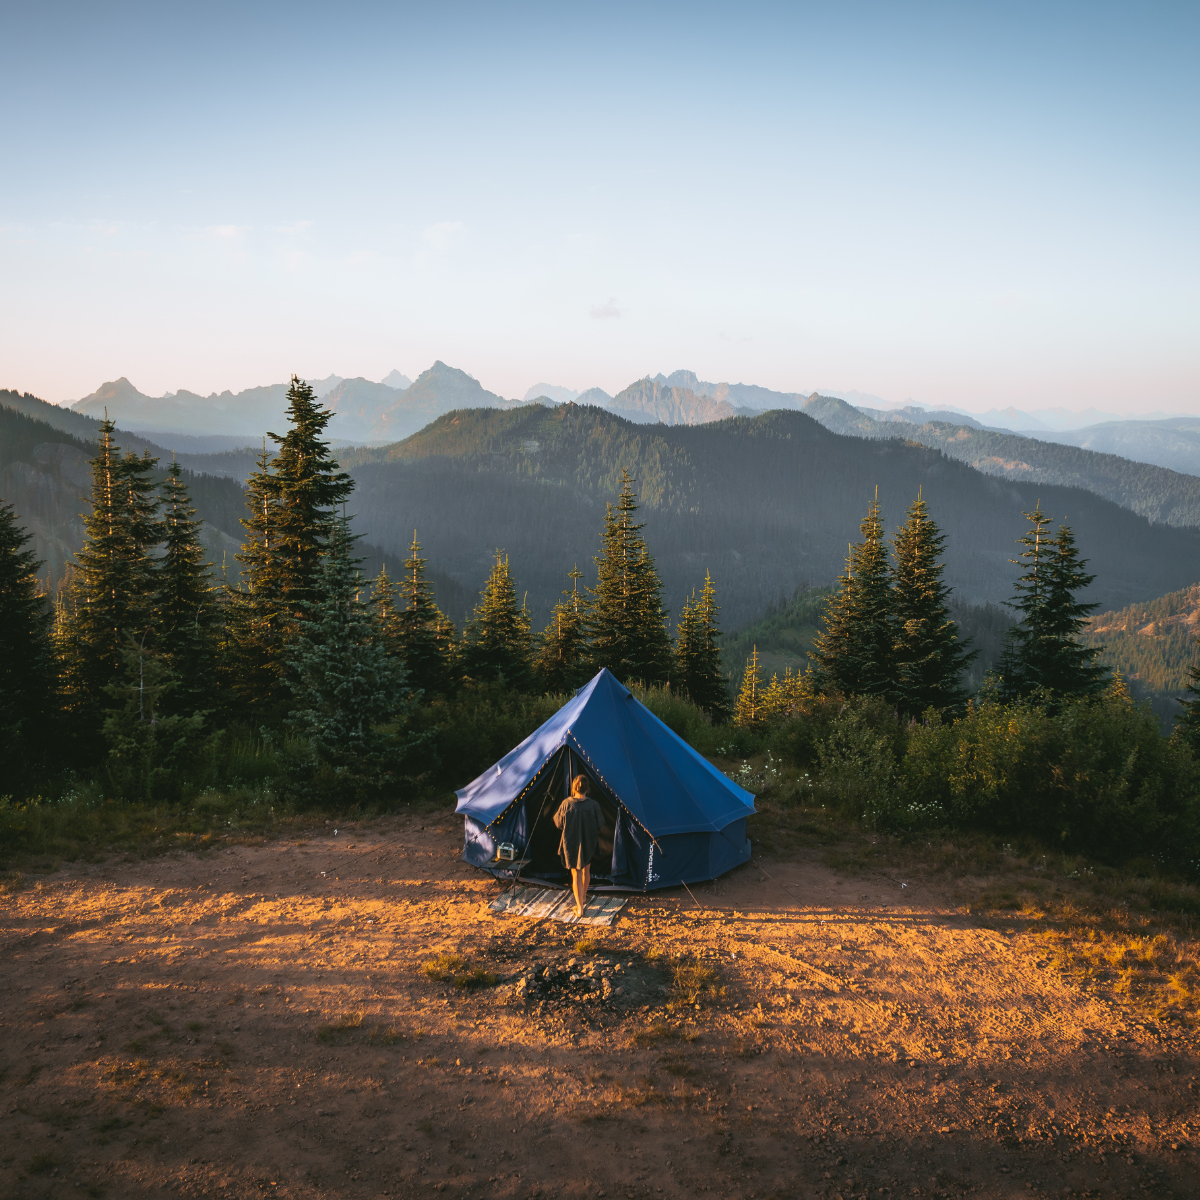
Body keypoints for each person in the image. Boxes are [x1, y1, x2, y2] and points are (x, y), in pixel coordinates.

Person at [553, 774, 602, 917]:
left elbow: (558, 823)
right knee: (586, 870)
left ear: (574, 787)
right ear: (587, 788)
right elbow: (600, 824)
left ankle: (579, 908)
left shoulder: (566, 804)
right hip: (589, 842)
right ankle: (584, 897)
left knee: (576, 874)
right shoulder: (593, 805)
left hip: (571, 843)